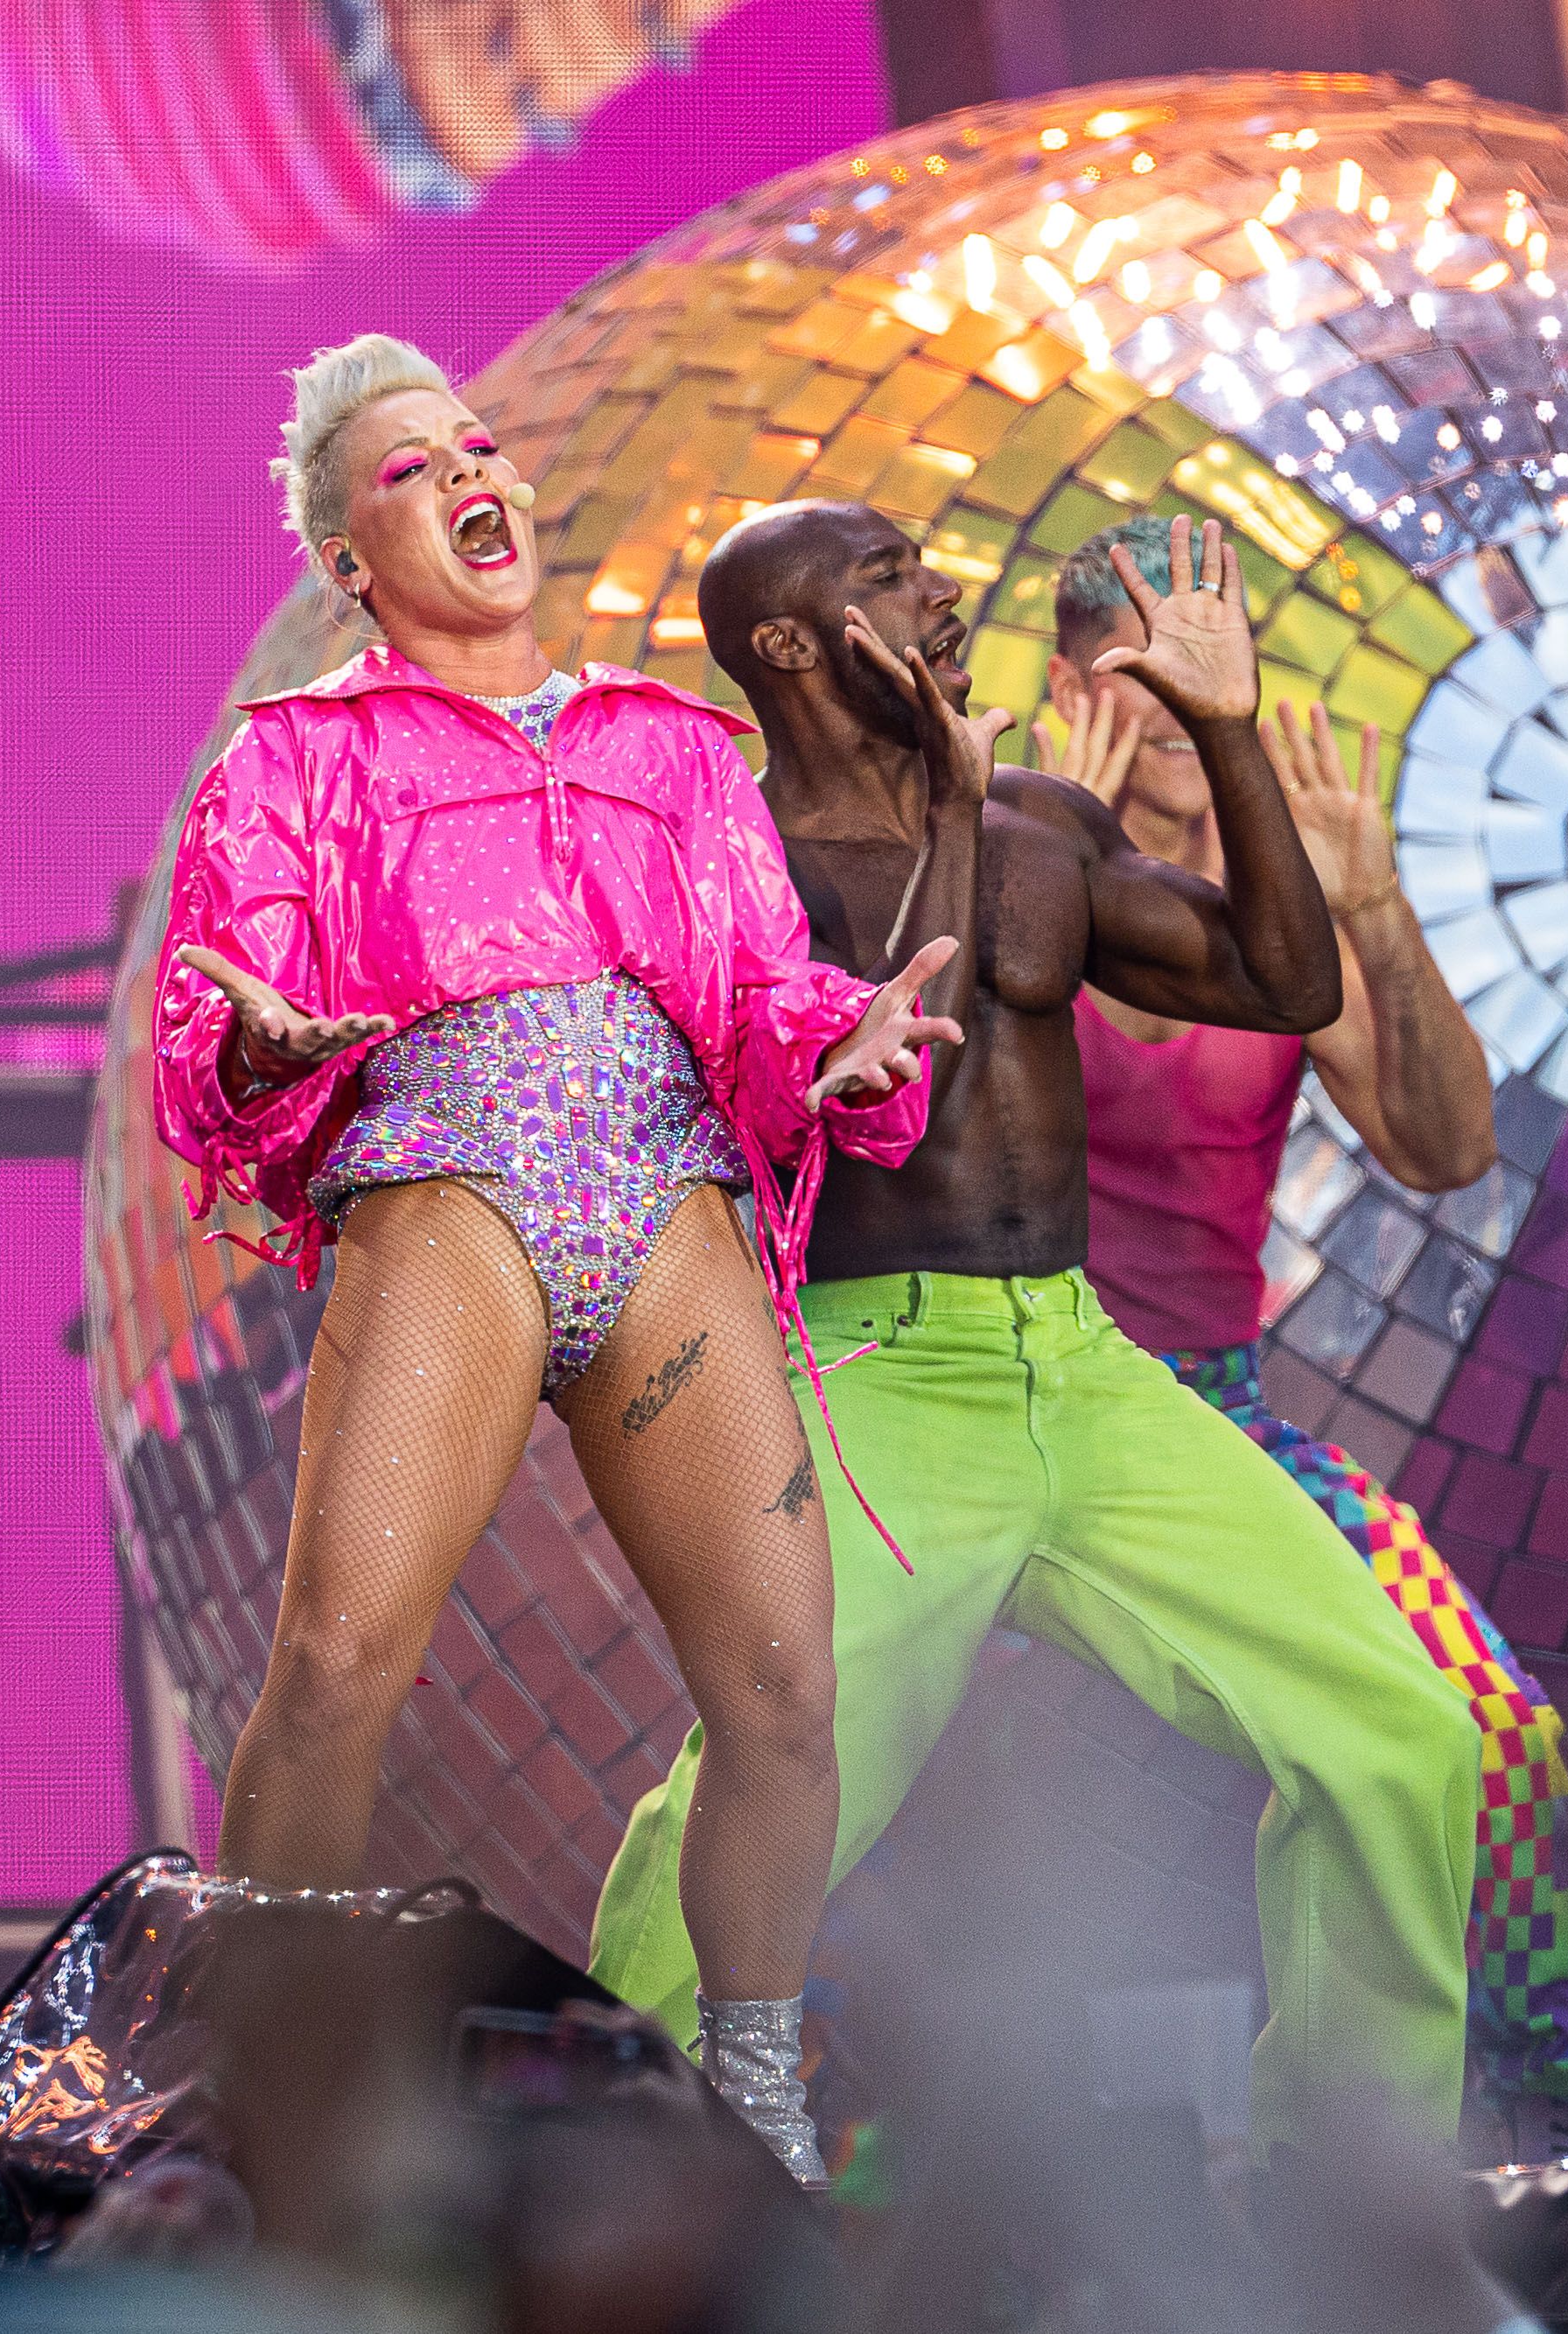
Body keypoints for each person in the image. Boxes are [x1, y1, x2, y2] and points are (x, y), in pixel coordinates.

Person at [153, 335, 962, 2181]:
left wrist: (832, 1041)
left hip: (661, 1193)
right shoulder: (295, 758)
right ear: (349, 560)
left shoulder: (672, 748)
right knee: (344, 1654)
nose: (465, 472)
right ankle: (272, 2101)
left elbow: (756, 990)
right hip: (452, 1175)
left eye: (479, 445)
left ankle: (755, 2089)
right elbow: (213, 1031)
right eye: (404, 468)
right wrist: (260, 1052)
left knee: (780, 1690)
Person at [587, 503, 1484, 2152]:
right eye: (885, 576)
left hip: (1082, 1370)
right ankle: (578, 2168)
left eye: (927, 564)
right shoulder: (732, 854)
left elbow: (1285, 985)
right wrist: (949, 801)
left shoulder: (1047, 826)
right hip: (874, 1386)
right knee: (761, 1779)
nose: (939, 589)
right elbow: (890, 1077)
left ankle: (1352, 2194)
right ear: (786, 644)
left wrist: (1226, 735)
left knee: (1402, 1736)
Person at [1044, 513, 1568, 2145]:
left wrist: (1373, 914)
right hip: (1003, 1386)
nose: (1180, 697)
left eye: (1212, 660)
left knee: (1490, 1726)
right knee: (833, 1732)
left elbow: (1445, 1150)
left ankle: (1532, 2118)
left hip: (1212, 1411)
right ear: (1082, 678)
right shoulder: (1006, 846)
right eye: (1150, 664)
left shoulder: (1280, 899)